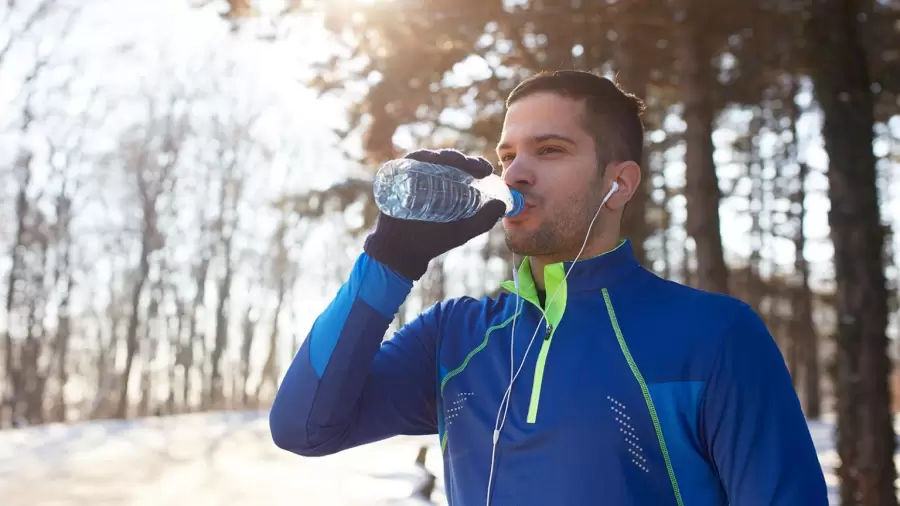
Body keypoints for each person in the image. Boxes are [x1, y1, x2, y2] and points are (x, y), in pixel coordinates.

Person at [269, 70, 828, 506]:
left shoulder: (713, 336)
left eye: (551, 150)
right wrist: (389, 260)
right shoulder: (454, 337)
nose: (514, 174)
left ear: (618, 182)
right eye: (508, 155)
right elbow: (304, 427)